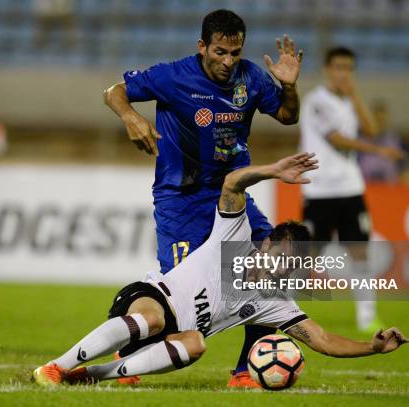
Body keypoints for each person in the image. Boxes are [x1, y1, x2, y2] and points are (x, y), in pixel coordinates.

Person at [31, 153, 409, 386]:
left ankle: (90, 376)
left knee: (197, 344)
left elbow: (322, 340)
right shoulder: (236, 236)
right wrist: (273, 171)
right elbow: (231, 184)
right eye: (284, 253)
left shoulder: (274, 301)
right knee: (154, 318)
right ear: (267, 243)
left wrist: (372, 349)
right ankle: (55, 367)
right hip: (148, 298)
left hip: (171, 339)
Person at [104, 9, 303, 387]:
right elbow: (112, 91)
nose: (228, 61)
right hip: (181, 199)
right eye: (219, 52)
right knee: (180, 296)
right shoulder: (174, 76)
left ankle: (247, 368)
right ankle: (131, 352)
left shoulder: (251, 78)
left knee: (274, 264)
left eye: (235, 53)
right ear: (202, 47)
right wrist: (131, 116)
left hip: (231, 195)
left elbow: (288, 115)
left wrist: (289, 86)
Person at [298, 47, 403, 333]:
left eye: (348, 68)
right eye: (338, 67)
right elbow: (338, 140)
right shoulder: (316, 101)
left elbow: (369, 129)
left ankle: (367, 318)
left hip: (350, 189)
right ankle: (286, 312)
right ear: (327, 69)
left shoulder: (347, 102)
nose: (343, 73)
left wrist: (355, 96)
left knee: (360, 253)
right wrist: (379, 150)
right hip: (319, 190)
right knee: (308, 256)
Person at [358, 101, 406, 183]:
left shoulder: (395, 138)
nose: (379, 122)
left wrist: (401, 175)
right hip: (365, 182)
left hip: (388, 183)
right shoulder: (359, 138)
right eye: (376, 119)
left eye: (382, 119)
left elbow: (402, 161)